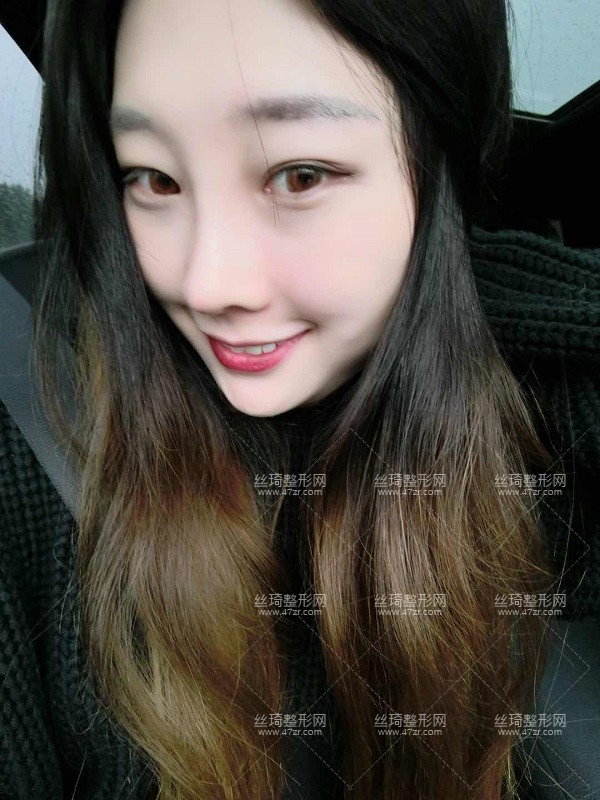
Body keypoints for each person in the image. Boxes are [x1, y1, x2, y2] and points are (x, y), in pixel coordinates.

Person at [0, 0, 598, 798]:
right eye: (154, 179)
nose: (207, 283)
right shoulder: (31, 442)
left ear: (436, 167)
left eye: (300, 175)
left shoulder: (555, 392)